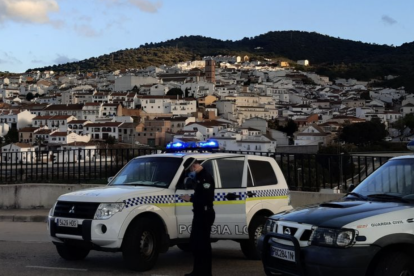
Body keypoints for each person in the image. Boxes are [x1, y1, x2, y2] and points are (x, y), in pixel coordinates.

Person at [180, 158, 215, 276]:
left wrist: (190, 199)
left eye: (189, 170)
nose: (190, 173)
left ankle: (205, 272)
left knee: (203, 245)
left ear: (194, 166)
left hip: (205, 214)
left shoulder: (206, 178)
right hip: (199, 213)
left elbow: (206, 198)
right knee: (196, 244)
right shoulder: (200, 178)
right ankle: (197, 271)